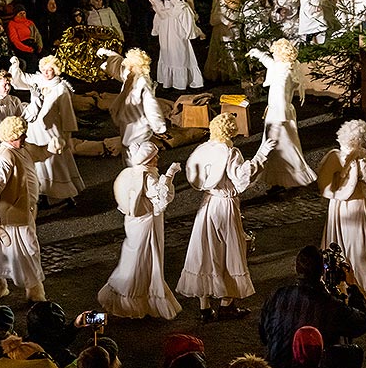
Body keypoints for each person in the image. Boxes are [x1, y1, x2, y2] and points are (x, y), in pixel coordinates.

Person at [177, 113, 275, 322]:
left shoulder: (204, 150)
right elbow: (241, 178)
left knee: (205, 251)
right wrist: (262, 154)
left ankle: (204, 309)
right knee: (229, 252)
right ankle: (226, 304)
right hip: (225, 206)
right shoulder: (230, 153)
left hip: (207, 205)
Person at [259, 246, 366, 368]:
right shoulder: (330, 306)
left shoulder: (278, 295)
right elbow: (362, 323)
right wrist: (352, 287)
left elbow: (263, 335)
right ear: (322, 272)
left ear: (296, 268)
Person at [98, 141, 183, 320]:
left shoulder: (130, 173)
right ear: (149, 160)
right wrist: (169, 175)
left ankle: (126, 294)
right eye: (155, 156)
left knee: (133, 255)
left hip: (133, 221)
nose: (158, 158)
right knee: (147, 257)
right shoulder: (148, 177)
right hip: (147, 223)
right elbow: (162, 197)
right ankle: (142, 296)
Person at [317, 120, 366, 306]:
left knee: (341, 242)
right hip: (358, 206)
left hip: (338, 207)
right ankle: (364, 289)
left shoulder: (336, 156)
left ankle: (337, 285)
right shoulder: (359, 161)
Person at [0, 115, 58, 301]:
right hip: (14, 214)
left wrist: (53, 147)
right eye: (21, 135)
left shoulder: (22, 148)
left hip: (24, 210)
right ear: (11, 136)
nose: (25, 138)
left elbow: (40, 153)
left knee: (2, 251)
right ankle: (35, 292)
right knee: (28, 250)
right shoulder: (4, 157)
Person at [9, 55, 85, 205]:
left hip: (52, 131)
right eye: (44, 69)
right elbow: (20, 80)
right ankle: (43, 194)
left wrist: (67, 134)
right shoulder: (38, 80)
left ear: (56, 71)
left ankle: (68, 195)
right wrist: (15, 66)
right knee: (38, 162)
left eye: (50, 70)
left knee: (56, 161)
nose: (46, 72)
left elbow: (67, 113)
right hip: (35, 128)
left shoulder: (61, 88)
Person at [248, 39, 317, 190]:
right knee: (281, 145)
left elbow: (279, 95)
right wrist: (260, 55)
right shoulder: (286, 66)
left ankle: (289, 178)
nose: (273, 55)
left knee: (281, 145)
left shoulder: (283, 74)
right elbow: (272, 64)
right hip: (282, 112)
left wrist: (278, 118)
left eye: (275, 53)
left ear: (281, 54)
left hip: (279, 114)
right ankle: (281, 179)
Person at [98, 47, 168, 156]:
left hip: (132, 124)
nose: (127, 67)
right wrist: (159, 127)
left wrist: (159, 127)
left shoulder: (135, 80)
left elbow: (151, 106)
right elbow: (151, 107)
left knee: (133, 154)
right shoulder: (135, 80)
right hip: (133, 125)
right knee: (134, 155)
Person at [147, 0, 205, 91]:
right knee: (181, 59)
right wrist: (193, 34)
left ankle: (168, 82)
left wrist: (157, 31)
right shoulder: (182, 7)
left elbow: (156, 25)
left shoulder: (163, 6)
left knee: (168, 58)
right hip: (179, 38)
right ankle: (180, 84)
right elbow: (188, 26)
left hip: (165, 38)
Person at [204, 0, 241, 82]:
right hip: (222, 28)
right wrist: (227, 22)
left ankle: (232, 74)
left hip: (233, 27)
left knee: (232, 49)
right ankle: (221, 74)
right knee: (224, 48)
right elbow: (219, 13)